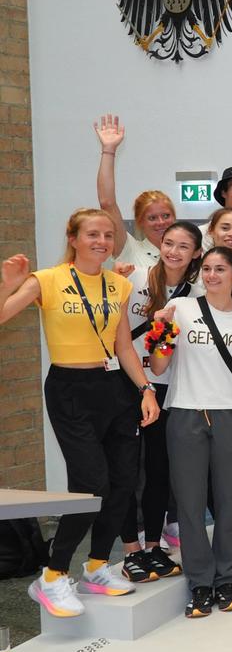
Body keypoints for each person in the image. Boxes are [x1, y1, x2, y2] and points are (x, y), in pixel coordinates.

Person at [0, 209, 161, 617]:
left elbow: (124, 346)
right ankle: (52, 576)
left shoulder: (118, 284)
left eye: (108, 234)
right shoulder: (48, 279)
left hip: (116, 389)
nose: (102, 241)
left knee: (123, 481)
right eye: (92, 234)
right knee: (91, 485)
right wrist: (7, 287)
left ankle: (95, 566)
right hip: (70, 390)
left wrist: (145, 389)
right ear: (73, 238)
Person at [148, 246, 232, 616]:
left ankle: (226, 581)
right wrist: (161, 332)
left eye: (221, 269)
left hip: (231, 416)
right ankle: (200, 584)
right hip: (186, 412)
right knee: (188, 503)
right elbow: (157, 366)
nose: (212, 275)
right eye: (207, 269)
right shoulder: (182, 308)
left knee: (229, 502)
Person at [118, 220, 202, 581]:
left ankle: (153, 545)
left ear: (196, 253)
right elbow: (118, 336)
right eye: (169, 243)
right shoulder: (132, 278)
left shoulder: (196, 294)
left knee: (158, 470)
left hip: (169, 387)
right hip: (127, 383)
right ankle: (129, 550)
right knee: (124, 470)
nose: (174, 251)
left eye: (184, 246)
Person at [91, 115, 176, 272]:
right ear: (140, 222)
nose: (161, 222)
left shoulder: (190, 254)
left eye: (166, 215)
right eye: (152, 218)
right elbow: (107, 203)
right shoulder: (129, 250)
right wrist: (108, 150)